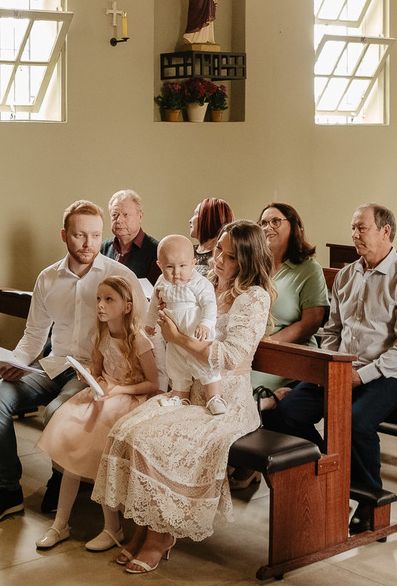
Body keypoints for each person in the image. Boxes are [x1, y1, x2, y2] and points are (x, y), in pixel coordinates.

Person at [94, 221, 274, 574]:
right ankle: (145, 528)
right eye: (218, 249)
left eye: (228, 255)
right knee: (129, 429)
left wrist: (177, 338)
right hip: (184, 389)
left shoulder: (254, 297)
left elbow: (232, 357)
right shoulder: (201, 278)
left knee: (157, 441)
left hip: (223, 400)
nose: (217, 258)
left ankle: (160, 538)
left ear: (248, 261)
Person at [263, 203, 397, 533]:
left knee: (355, 423)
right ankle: (328, 476)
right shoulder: (346, 275)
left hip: (387, 375)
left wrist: (360, 375)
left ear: (385, 232)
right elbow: (333, 331)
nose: (354, 234)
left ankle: (369, 500)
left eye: (362, 228)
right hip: (340, 368)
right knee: (282, 413)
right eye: (353, 228)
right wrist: (329, 365)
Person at [0, 200, 145, 523]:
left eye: (96, 236)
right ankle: (9, 490)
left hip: (95, 371)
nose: (89, 244)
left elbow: (138, 331)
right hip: (54, 363)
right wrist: (15, 361)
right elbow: (34, 334)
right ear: (65, 235)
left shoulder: (120, 277)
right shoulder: (48, 278)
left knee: (57, 412)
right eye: (80, 235)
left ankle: (60, 480)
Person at [33, 277, 159, 552]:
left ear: (127, 306)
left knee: (100, 451)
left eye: (108, 299)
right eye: (98, 299)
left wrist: (118, 390)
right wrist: (88, 375)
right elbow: (99, 370)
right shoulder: (101, 335)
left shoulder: (139, 340)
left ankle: (111, 526)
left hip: (129, 399)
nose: (100, 305)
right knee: (71, 451)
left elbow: (153, 384)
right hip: (104, 396)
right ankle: (60, 524)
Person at [253, 203, 329, 394]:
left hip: (286, 352)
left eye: (275, 221)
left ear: (294, 226)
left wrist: (268, 344)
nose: (267, 227)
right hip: (251, 346)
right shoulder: (254, 266)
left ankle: (274, 399)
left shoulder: (309, 269)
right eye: (263, 223)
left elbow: (310, 323)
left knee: (242, 388)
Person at [154, 235, 223, 414]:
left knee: (205, 366)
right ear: (160, 266)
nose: (176, 272)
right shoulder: (161, 282)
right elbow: (153, 304)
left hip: (195, 334)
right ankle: (180, 397)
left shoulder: (199, 283)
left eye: (182, 266)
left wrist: (206, 323)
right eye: (169, 267)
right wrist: (149, 323)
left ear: (193, 264)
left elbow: (209, 304)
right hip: (173, 338)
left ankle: (214, 397)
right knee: (176, 366)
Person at [100, 189, 160, 282]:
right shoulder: (101, 249)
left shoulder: (156, 251)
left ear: (140, 217)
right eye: (114, 215)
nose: (119, 220)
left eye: (126, 215)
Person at [188, 197, 234, 276]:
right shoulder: (187, 251)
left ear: (210, 219)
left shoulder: (220, 258)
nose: (190, 220)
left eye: (196, 214)